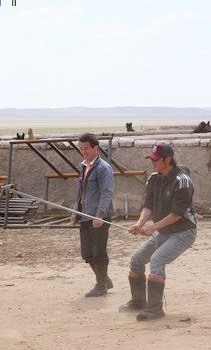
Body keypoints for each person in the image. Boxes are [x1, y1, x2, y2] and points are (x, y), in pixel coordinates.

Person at [120, 143, 197, 320]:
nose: (152, 162)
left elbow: (177, 214)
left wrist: (153, 227)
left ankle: (155, 309)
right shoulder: (154, 179)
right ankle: (138, 302)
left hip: (184, 232)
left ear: (168, 159)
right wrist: (140, 224)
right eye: (152, 159)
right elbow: (148, 206)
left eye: (156, 159)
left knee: (157, 259)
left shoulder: (182, 181)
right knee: (136, 260)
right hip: (165, 232)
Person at [71, 133, 115, 297]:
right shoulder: (83, 166)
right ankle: (104, 280)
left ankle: (101, 285)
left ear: (95, 148)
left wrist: (100, 215)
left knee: (99, 252)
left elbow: (107, 193)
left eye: (86, 148)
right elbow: (81, 191)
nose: (84, 152)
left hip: (98, 216)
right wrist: (75, 210)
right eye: (81, 149)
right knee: (87, 254)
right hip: (84, 214)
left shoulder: (104, 168)